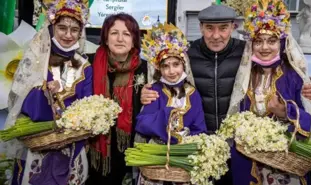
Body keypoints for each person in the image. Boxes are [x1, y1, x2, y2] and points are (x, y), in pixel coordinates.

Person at [140, 4, 311, 185]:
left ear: (233, 27)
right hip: (201, 148)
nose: (216, 35)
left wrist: (307, 88)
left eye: (223, 28)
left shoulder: (247, 53)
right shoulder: (186, 56)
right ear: (201, 27)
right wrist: (146, 93)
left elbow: (279, 66)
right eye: (209, 28)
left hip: (238, 148)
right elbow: (163, 78)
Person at [226, 0, 311, 184]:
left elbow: (309, 121)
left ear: (281, 43)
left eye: (271, 41)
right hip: (250, 163)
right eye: (259, 41)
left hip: (286, 164)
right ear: (252, 44)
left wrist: (285, 112)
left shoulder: (294, 77)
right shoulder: (244, 77)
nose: (265, 47)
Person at [5, 0, 92, 184]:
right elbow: (21, 101)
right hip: (36, 146)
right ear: (52, 27)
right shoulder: (37, 59)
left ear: (80, 32)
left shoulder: (84, 66)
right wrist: (44, 91)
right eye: (62, 28)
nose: (68, 35)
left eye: (74, 30)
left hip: (70, 147)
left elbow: (87, 106)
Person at [134, 23, 207, 185]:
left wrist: (187, 144)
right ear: (159, 68)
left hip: (184, 158)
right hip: (157, 157)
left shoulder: (193, 93)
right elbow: (142, 123)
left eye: (176, 64)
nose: (171, 71)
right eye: (165, 66)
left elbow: (200, 128)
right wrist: (166, 116)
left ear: (184, 65)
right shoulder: (154, 90)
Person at [86, 13, 147, 185]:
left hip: (130, 150)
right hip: (93, 149)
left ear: (134, 40)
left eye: (127, 34)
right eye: (114, 33)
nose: (120, 39)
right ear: (105, 38)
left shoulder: (146, 70)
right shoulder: (87, 63)